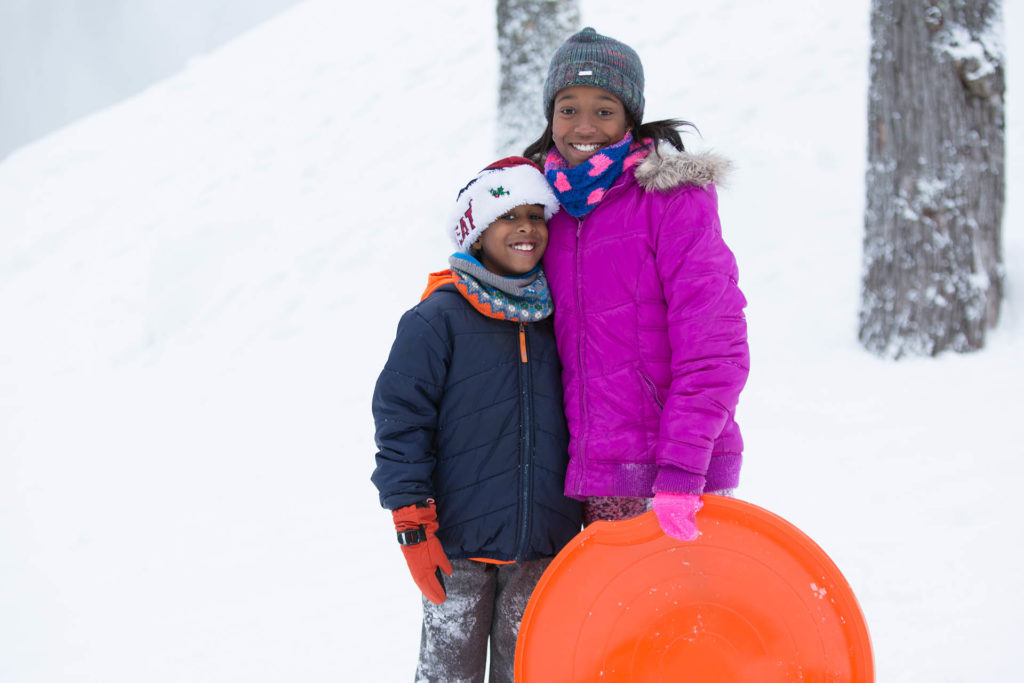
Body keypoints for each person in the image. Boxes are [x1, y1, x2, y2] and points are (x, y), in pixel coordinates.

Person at [523, 27, 750, 541]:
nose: (584, 125)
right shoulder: (542, 210)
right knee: (617, 622)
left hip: (675, 477)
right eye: (567, 108)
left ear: (630, 116)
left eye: (604, 110)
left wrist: (682, 472)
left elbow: (715, 344)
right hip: (590, 478)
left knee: (690, 618)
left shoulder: (673, 201)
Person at [370, 157, 583, 683]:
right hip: (456, 546)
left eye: (537, 215)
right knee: (448, 674)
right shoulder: (437, 318)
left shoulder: (559, 316)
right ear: (477, 229)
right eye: (510, 215)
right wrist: (412, 523)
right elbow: (401, 422)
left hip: (542, 544)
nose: (527, 228)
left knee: (529, 671)